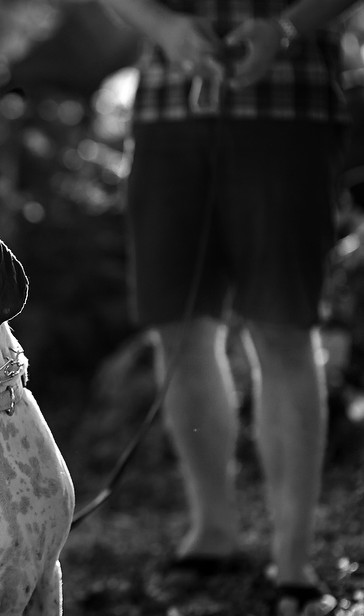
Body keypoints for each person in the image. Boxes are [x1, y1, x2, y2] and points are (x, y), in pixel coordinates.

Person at [96, 0, 358, 614]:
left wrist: (286, 28)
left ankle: (293, 560)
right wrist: (163, 26)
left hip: (290, 108)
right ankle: (213, 532)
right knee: (178, 333)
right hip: (168, 111)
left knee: (285, 330)